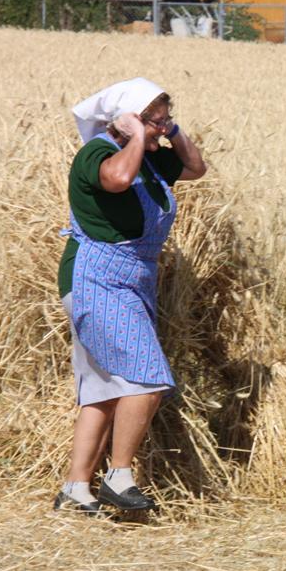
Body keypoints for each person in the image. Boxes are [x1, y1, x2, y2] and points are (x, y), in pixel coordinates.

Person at [54, 78, 207, 516]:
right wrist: (138, 135)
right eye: (152, 120)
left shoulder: (153, 159)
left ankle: (75, 489)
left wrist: (170, 133)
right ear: (124, 121)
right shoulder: (98, 154)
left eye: (164, 119)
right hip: (95, 277)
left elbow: (196, 168)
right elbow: (118, 181)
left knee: (103, 390)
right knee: (146, 378)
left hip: (131, 279)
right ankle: (119, 477)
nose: (161, 129)